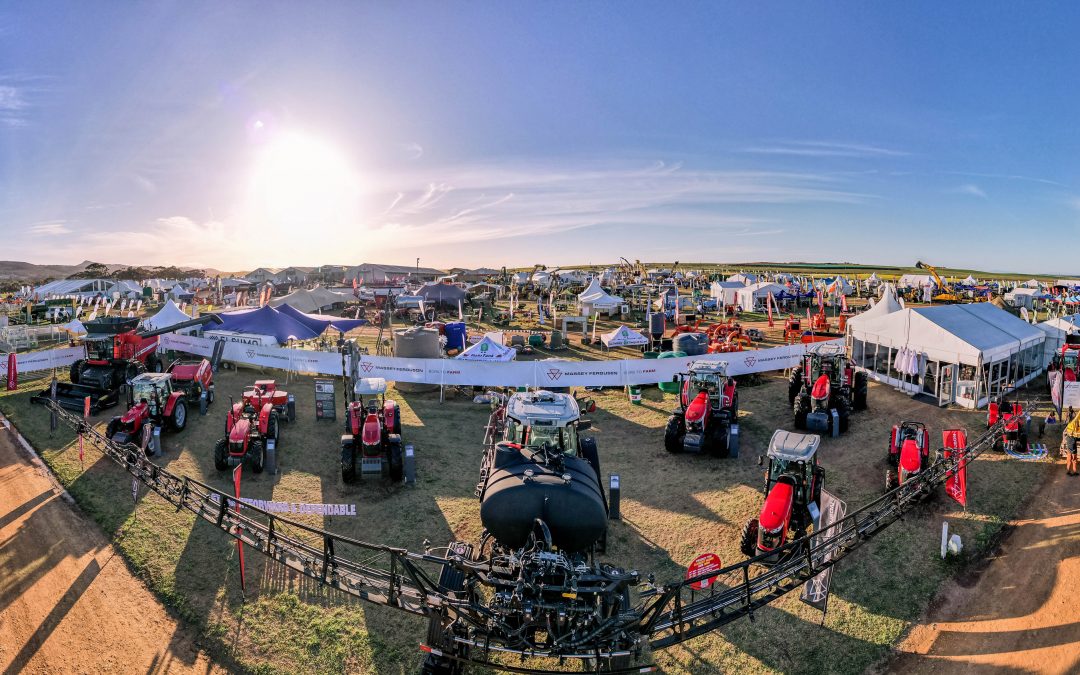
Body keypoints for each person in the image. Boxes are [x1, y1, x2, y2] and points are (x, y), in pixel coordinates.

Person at [1063, 410, 1080, 475]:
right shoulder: (1072, 423)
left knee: (1070, 457)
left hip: (1072, 438)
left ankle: (1071, 471)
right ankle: (1071, 471)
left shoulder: (1071, 424)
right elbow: (1077, 416)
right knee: (1073, 458)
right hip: (1071, 440)